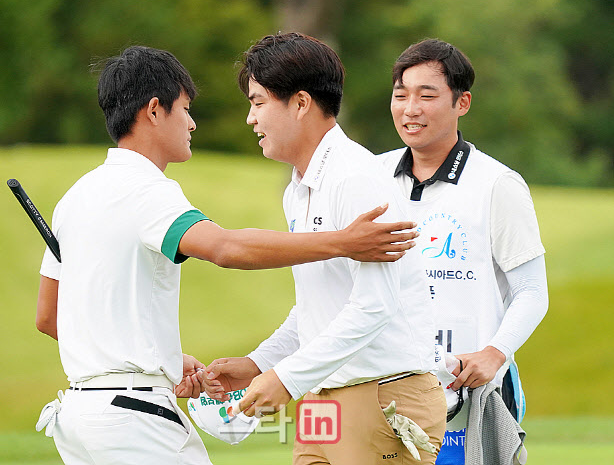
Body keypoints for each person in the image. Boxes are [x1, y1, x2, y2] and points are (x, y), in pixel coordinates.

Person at [35, 45, 419, 465]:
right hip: (134, 419)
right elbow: (225, 247)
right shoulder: (147, 189)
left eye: (257, 102)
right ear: (154, 111)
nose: (192, 123)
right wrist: (342, 241)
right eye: (184, 108)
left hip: (78, 419)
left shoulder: (74, 198)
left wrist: (163, 356)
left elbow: (50, 317)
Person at [203, 33, 446, 465]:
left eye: (258, 103)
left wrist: (287, 377)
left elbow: (375, 305)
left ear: (300, 104)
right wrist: (260, 363)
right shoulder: (297, 189)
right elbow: (319, 304)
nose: (250, 119)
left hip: (382, 394)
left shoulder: (355, 178)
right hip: (322, 398)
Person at [378, 39, 549, 464]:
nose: (410, 108)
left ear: (462, 103)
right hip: (385, 392)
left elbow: (531, 291)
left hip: (470, 397)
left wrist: (495, 353)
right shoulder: (372, 175)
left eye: (427, 95)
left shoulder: (496, 184)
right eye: (401, 95)